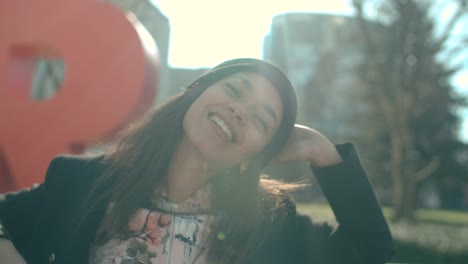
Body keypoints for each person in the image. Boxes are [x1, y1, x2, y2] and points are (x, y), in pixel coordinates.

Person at [0, 58, 394, 264]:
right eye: (235, 90)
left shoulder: (269, 225)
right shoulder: (80, 181)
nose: (238, 110)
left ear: (258, 153)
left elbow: (369, 249)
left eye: (261, 120)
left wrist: (320, 151)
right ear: (194, 93)